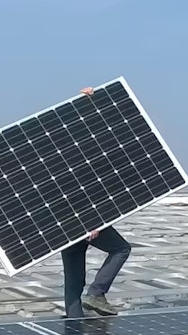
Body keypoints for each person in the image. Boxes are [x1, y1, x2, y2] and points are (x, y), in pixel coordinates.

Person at [61, 86, 132, 317]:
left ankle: (74, 330)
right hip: (86, 220)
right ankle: (97, 293)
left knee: (73, 283)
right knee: (121, 248)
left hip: (61, 225)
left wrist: (88, 102)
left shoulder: (59, 159)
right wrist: (90, 223)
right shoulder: (87, 159)